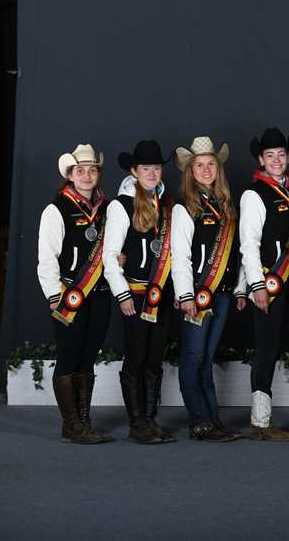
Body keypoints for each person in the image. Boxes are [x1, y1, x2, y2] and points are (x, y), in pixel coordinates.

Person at [37, 143, 115, 444]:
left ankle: (84, 422)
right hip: (69, 294)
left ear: (98, 174)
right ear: (70, 175)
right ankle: (71, 425)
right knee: (69, 356)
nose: (86, 175)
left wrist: (119, 257)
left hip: (101, 293)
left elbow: (114, 247)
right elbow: (47, 258)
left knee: (88, 357)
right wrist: (54, 296)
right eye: (80, 170)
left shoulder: (108, 208)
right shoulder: (56, 209)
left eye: (92, 170)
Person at [171, 137, 246, 442]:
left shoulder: (225, 205)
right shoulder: (185, 207)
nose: (205, 169)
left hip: (223, 293)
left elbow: (236, 253)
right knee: (193, 356)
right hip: (198, 294)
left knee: (207, 357)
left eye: (211, 164)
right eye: (199, 165)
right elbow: (180, 256)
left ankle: (212, 418)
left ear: (218, 168)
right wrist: (185, 295)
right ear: (190, 171)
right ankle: (199, 421)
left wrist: (240, 288)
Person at [103, 140, 177, 445]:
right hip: (135, 294)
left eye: (156, 167)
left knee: (155, 358)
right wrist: (122, 294)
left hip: (161, 293)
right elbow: (110, 256)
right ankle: (137, 424)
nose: (152, 173)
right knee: (136, 356)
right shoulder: (121, 205)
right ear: (134, 171)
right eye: (146, 168)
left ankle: (150, 419)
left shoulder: (167, 204)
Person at [239, 127, 289, 442]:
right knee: (265, 349)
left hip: (288, 281)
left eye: (281, 154)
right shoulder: (254, 193)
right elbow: (248, 244)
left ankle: (264, 418)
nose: (276, 160)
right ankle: (261, 421)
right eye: (270, 155)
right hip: (268, 281)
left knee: (275, 346)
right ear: (261, 160)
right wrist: (256, 285)